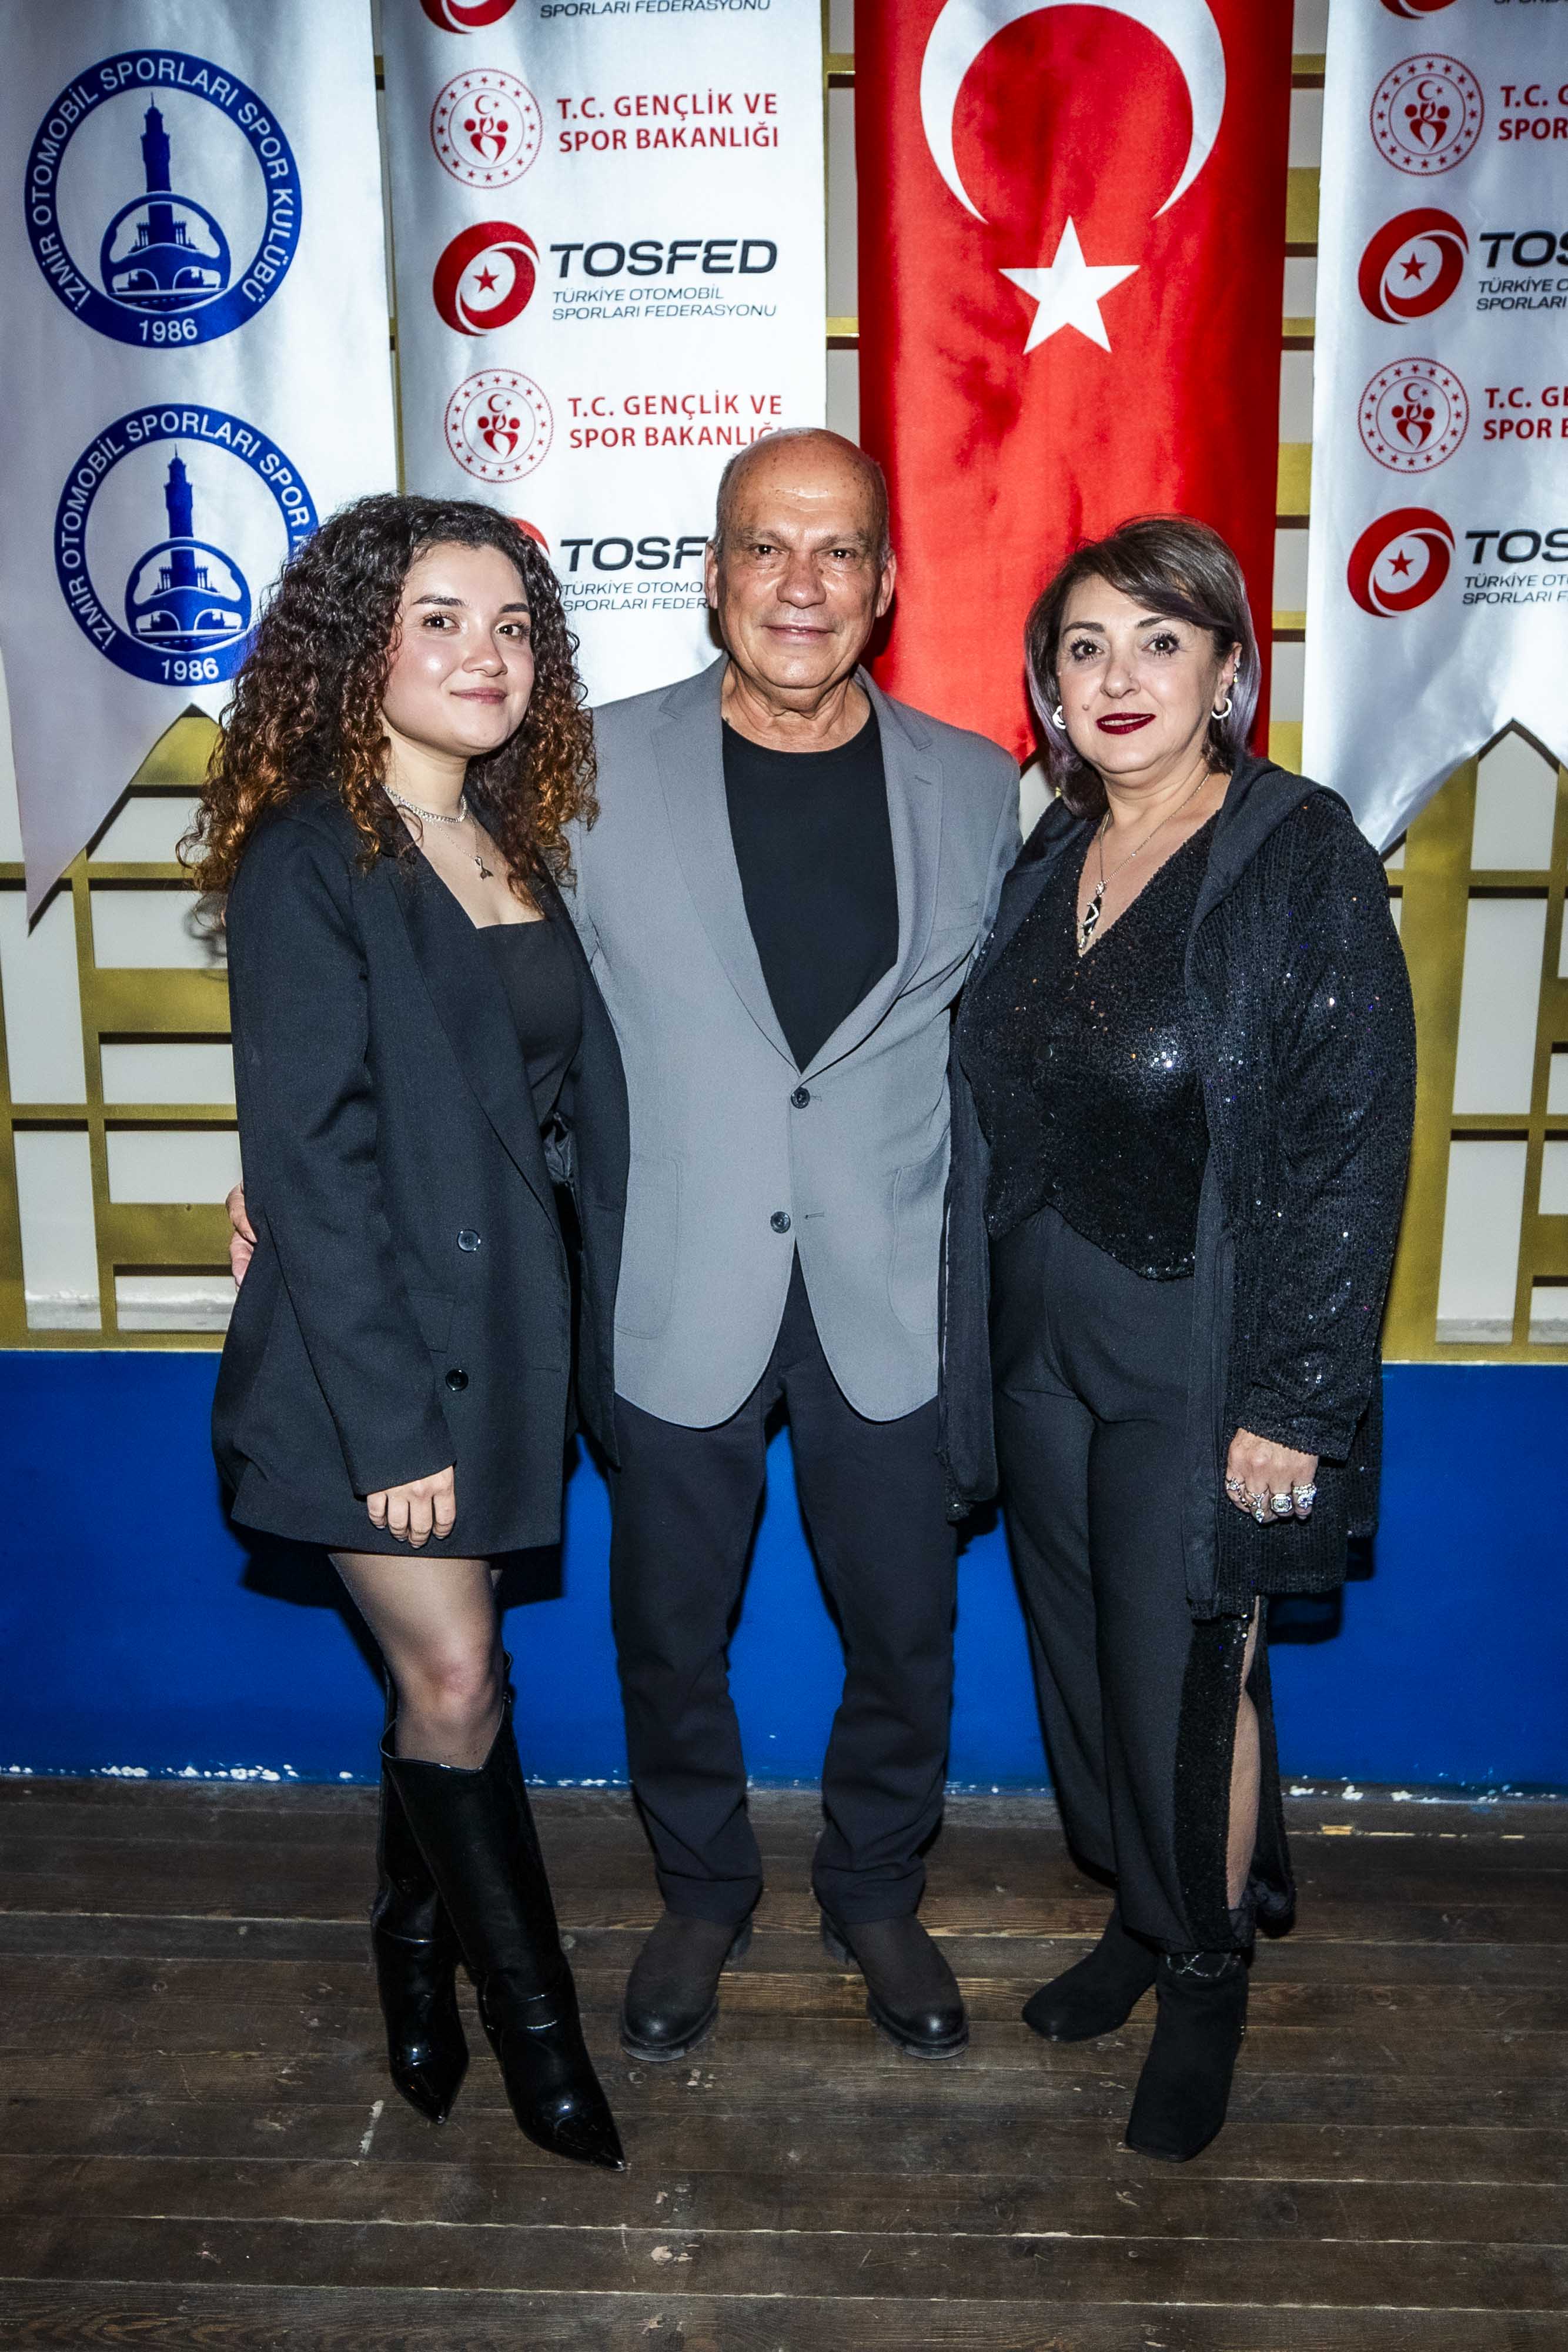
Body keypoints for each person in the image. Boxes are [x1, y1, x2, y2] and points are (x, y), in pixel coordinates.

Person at [945, 516, 1415, 2161]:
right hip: (1037, 1341)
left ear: (1228, 669)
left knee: (1191, 1671)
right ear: (1048, 688)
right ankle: (1145, 1919)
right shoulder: (1043, 855)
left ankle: (1208, 1974)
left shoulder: (1296, 852)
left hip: (1199, 1353)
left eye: (1159, 641)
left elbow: (1354, 1143)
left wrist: (1297, 1398)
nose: (1119, 677)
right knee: (1082, 1662)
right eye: (1084, 648)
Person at [570, 428, 1020, 2062]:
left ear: (886, 583)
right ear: (712, 576)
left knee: (906, 1632)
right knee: (667, 1632)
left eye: (838, 551)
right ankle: (700, 1890)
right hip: (675, 1279)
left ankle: (876, 1889)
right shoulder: (584, 769)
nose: (801, 584)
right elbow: (499, 1014)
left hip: (888, 1291)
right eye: (766, 545)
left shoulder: (977, 785)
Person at [191, 495, 629, 2171]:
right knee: (454, 1671)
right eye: (439, 619)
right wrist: (392, 1432)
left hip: (504, 1340)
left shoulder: (510, 844)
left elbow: (536, 1116)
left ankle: (410, 1949)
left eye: (512, 625)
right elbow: (313, 1160)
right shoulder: (312, 854)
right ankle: (544, 2045)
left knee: (459, 1682)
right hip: (360, 1366)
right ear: (355, 646)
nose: (484, 653)